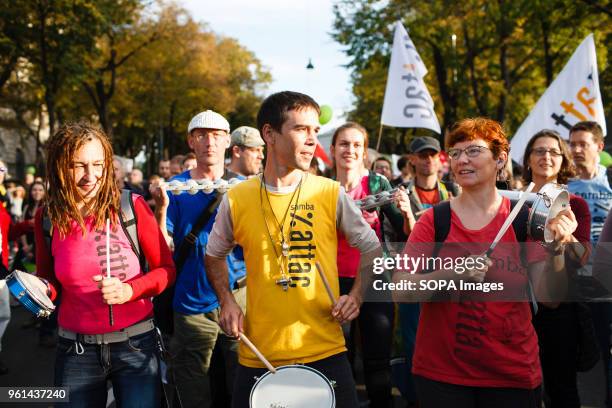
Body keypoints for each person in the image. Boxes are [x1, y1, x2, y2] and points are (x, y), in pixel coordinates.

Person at [205, 91, 382, 408]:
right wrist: (226, 300)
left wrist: (355, 296)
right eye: (301, 129)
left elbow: (371, 247)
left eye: (316, 130)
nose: (313, 139)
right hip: (259, 355)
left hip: (326, 351)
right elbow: (213, 254)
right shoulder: (237, 198)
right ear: (269, 134)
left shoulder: (329, 192)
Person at [394, 118, 577, 408]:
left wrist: (556, 251)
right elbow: (401, 290)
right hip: (443, 378)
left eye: (474, 151)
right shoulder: (435, 221)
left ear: (500, 159)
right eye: (455, 153)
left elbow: (550, 299)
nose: (462, 160)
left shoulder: (524, 220)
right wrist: (452, 274)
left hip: (512, 376)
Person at [34, 122, 176, 407]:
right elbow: (49, 284)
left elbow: (166, 271)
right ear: (59, 167)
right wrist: (34, 292)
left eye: (98, 164)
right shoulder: (47, 216)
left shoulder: (131, 206)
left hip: (136, 345)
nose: (91, 176)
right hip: (75, 350)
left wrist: (130, 290)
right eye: (78, 166)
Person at [150, 110, 246, 408]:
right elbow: (161, 248)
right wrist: (161, 210)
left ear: (228, 141)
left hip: (239, 296)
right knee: (193, 387)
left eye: (217, 135)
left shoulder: (246, 187)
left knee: (242, 382)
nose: (210, 142)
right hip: (192, 301)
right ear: (191, 141)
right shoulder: (174, 189)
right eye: (202, 135)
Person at [331, 121, 410, 407]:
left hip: (374, 278)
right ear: (332, 150)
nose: (349, 150)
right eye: (343, 144)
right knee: (339, 356)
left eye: (356, 145)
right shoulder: (321, 188)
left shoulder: (377, 184)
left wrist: (405, 212)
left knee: (377, 360)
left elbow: (403, 231)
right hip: (334, 279)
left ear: (364, 152)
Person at [522, 129, 591, 408]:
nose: (546, 157)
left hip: (559, 308)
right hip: (517, 306)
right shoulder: (512, 203)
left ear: (563, 160)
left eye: (553, 151)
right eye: (539, 151)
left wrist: (567, 236)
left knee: (561, 388)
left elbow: (582, 257)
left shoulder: (576, 205)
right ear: (528, 159)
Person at [567, 120, 612, 406]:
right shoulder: (563, 185)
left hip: (607, 282)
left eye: (583, 144)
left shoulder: (610, 181)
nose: (576, 150)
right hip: (574, 281)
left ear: (599, 146)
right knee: (578, 353)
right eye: (572, 144)